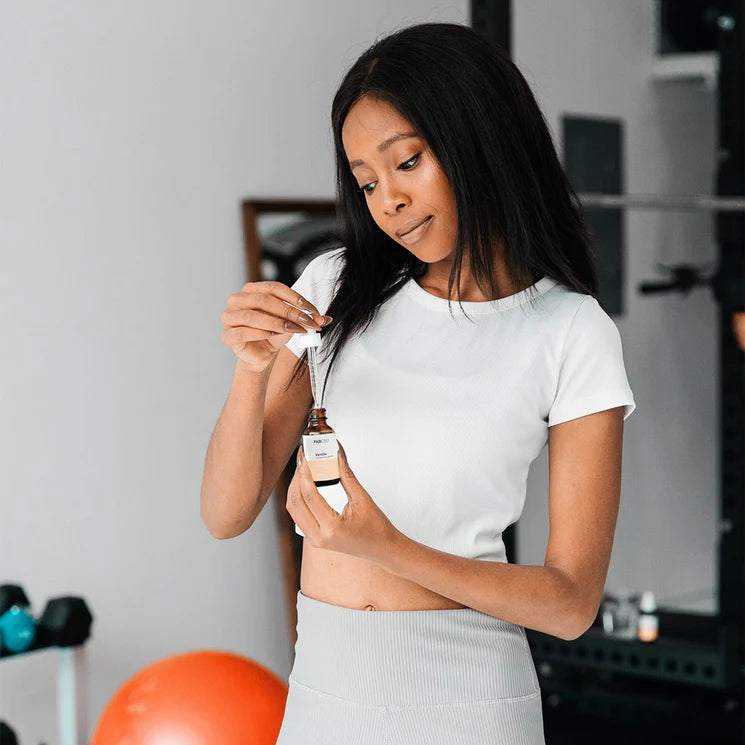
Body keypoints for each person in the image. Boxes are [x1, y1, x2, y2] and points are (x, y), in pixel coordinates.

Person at [203, 22, 636, 745]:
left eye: (406, 162)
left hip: (468, 703)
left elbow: (570, 601)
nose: (387, 201)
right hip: (321, 697)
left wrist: (384, 545)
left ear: (479, 140)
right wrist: (251, 372)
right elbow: (225, 511)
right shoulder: (334, 287)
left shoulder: (570, 330)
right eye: (367, 180)